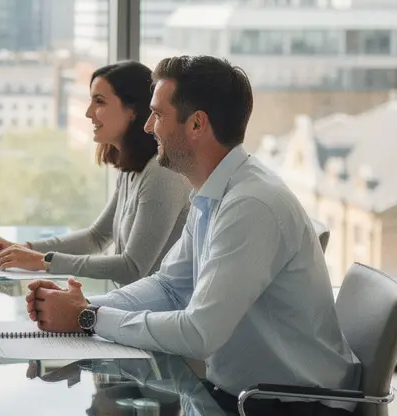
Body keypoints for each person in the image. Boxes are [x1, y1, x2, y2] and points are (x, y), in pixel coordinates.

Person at [25, 56, 360, 416]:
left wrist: (87, 317)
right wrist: (80, 306)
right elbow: (170, 287)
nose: (149, 126)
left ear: (197, 123)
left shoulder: (250, 205)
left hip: (289, 406)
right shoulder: (212, 193)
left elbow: (199, 333)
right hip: (241, 395)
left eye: (158, 114)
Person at [0, 61, 190, 284]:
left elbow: (132, 268)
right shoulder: (131, 169)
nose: (89, 112)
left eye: (99, 101)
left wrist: (44, 261)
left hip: (155, 314)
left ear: (133, 110)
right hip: (132, 307)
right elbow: (97, 237)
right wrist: (23, 248)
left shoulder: (162, 173)